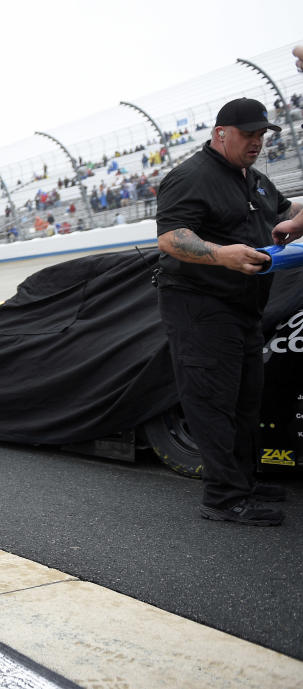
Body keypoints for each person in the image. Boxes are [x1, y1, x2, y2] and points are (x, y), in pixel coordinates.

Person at [156, 98, 303, 526]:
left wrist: (298, 219)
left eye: (262, 135)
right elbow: (171, 238)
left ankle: (245, 481)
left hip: (244, 306)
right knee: (213, 402)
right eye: (249, 134)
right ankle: (223, 498)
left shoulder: (253, 180)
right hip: (200, 307)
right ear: (222, 132)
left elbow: (287, 213)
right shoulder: (189, 177)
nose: (257, 142)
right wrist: (221, 255)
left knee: (245, 401)